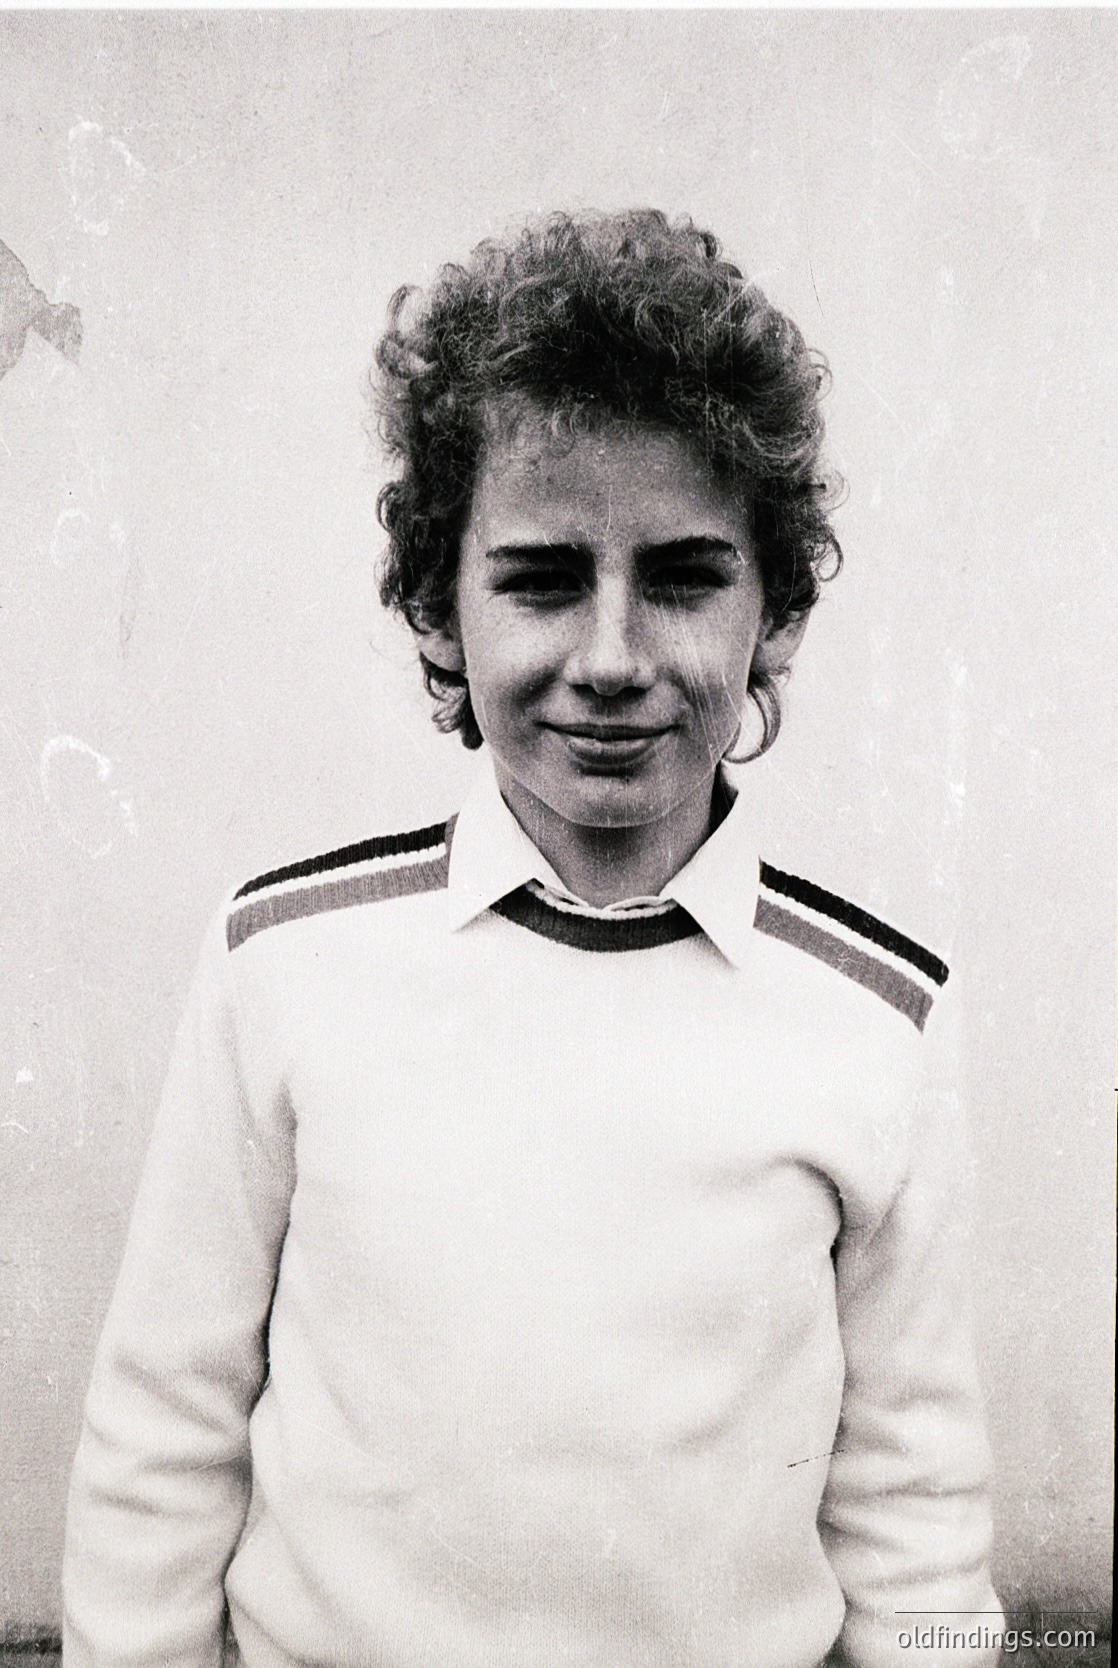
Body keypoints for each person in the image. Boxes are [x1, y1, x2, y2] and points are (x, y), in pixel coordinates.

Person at [63, 210, 1001, 1668]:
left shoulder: (877, 1016)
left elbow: (914, 1498)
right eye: (542, 578)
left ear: (776, 617)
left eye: (685, 578)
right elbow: (164, 1430)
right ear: (440, 612)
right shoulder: (283, 960)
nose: (613, 659)